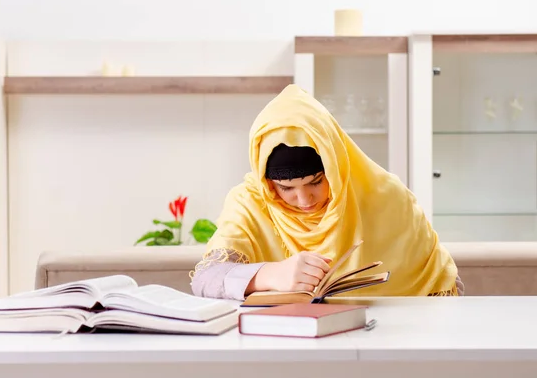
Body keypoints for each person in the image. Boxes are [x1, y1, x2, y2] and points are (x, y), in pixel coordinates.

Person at [190, 84, 464, 300]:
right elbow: (205, 280)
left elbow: (445, 287)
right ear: (267, 182)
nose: (304, 199)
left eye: (316, 181)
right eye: (286, 188)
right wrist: (271, 275)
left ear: (336, 166)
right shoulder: (249, 202)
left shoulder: (387, 197)